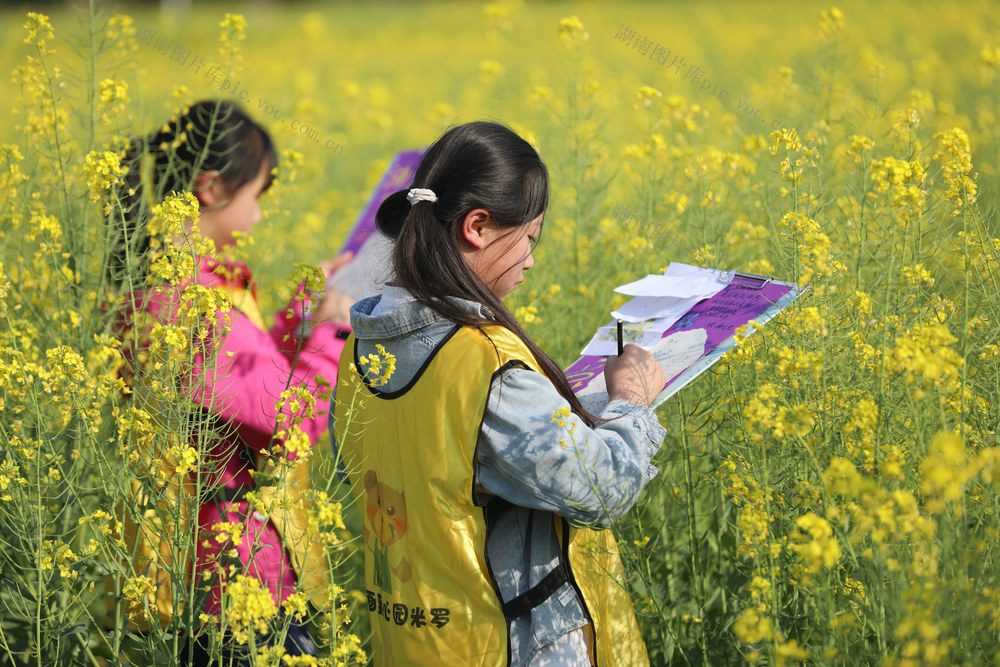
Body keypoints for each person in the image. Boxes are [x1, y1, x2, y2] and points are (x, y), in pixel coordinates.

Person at [330, 121, 667, 666]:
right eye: (528, 238)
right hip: (504, 646)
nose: (531, 260)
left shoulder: (359, 351)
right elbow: (603, 490)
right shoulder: (485, 363)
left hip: (409, 645)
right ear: (478, 227)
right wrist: (630, 399)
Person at [109, 99, 353, 664]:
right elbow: (287, 421)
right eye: (257, 196)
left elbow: (242, 385)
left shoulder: (159, 290)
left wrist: (300, 315)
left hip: (192, 565)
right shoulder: (190, 309)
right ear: (212, 188)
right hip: (234, 577)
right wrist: (331, 337)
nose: (260, 216)